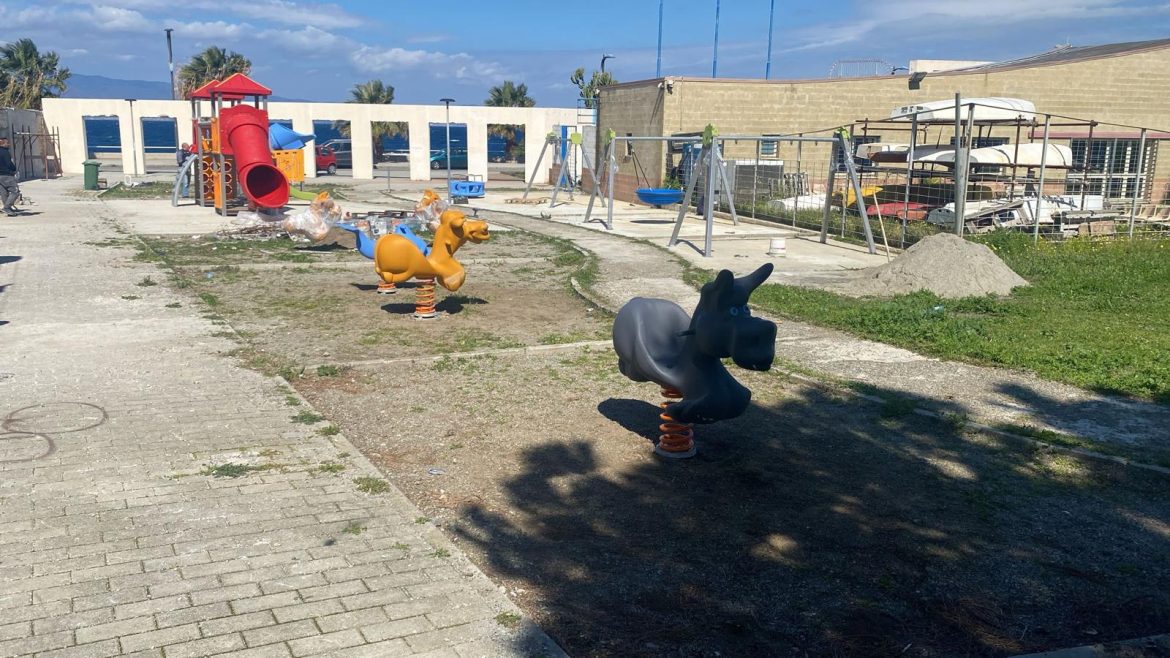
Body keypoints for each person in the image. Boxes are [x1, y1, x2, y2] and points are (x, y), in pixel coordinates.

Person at [0, 137, 22, 216]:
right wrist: (14, 169)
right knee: (15, 191)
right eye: (7, 143)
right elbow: (9, 163)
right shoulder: (5, 152)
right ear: (3, 143)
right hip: (6, 175)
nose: (8, 144)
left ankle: (8, 209)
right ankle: (7, 207)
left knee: (4, 192)